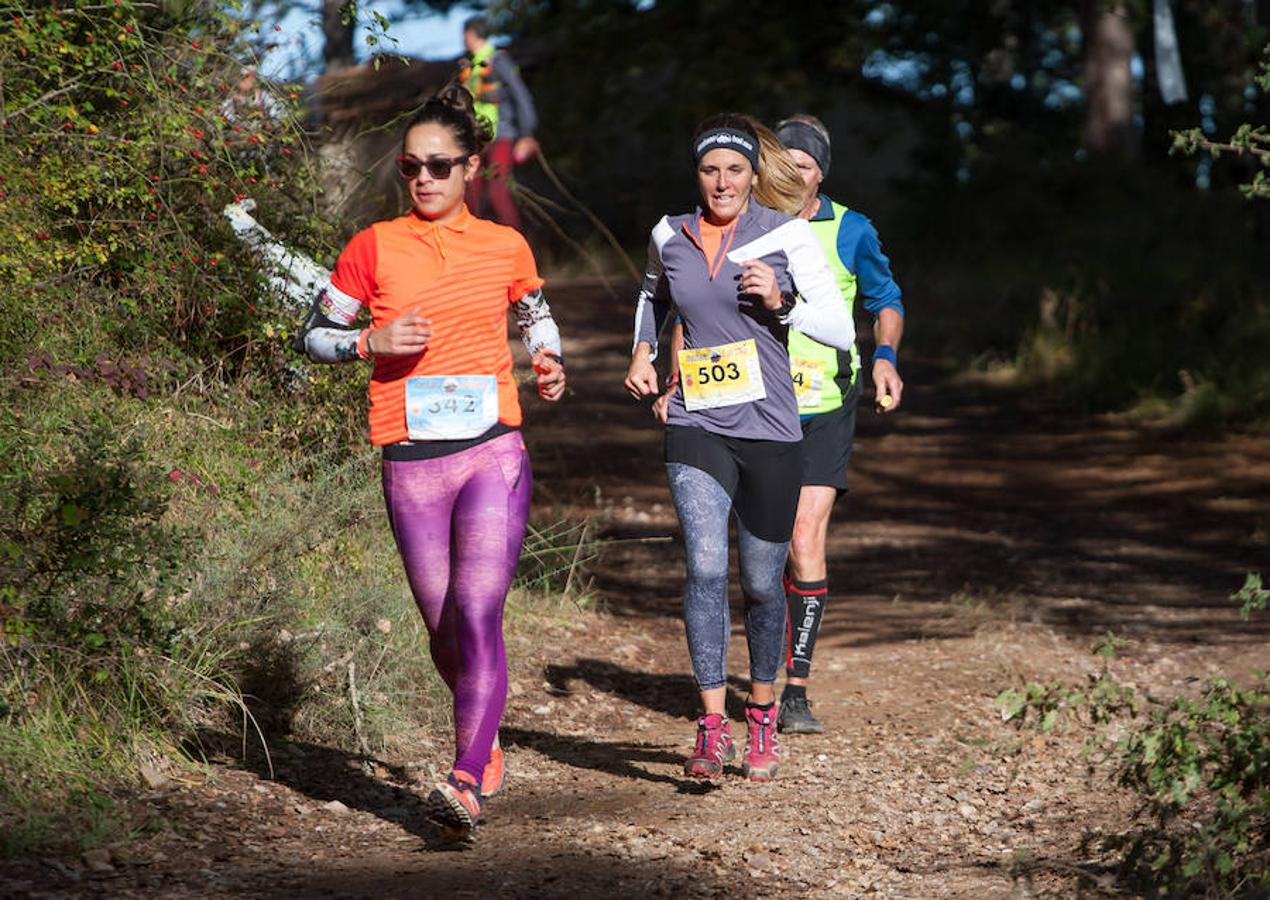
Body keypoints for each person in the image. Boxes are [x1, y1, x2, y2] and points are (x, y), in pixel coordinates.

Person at [293, 83, 565, 843]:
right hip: (411, 458)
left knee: (480, 614)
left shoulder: (504, 245)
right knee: (444, 629)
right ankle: (488, 736)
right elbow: (312, 335)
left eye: (439, 166)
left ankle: (467, 777)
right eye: (411, 166)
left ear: (471, 168)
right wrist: (364, 345)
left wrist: (548, 359)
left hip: (491, 451)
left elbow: (535, 313)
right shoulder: (372, 246)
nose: (423, 179)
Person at [624, 113, 854, 783]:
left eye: (733, 170)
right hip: (696, 421)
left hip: (771, 428)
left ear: (754, 175)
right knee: (702, 567)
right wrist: (642, 352)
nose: (720, 182)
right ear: (695, 175)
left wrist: (782, 304)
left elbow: (839, 328)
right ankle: (710, 727)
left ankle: (761, 714)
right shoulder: (669, 233)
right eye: (708, 170)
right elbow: (651, 296)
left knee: (759, 582)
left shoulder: (783, 234)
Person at [772, 114, 904, 734]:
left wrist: (884, 358)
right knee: (761, 546)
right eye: (785, 162)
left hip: (826, 402)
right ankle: (758, 670)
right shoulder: (746, 222)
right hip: (754, 407)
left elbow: (885, 301)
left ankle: (794, 689)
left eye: (806, 164)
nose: (795, 174)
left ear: (820, 171)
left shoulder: (851, 229)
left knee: (804, 533)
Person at [458, 15, 539, 230]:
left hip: (500, 134)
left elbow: (521, 95)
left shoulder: (499, 60)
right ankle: (472, 248)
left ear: (471, 34)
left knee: (497, 192)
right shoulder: (469, 65)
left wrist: (527, 133)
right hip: (475, 138)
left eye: (464, 34)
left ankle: (515, 246)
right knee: (470, 195)